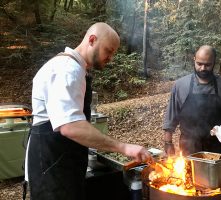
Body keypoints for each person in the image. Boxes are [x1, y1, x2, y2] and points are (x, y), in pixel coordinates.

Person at [25, 22, 152, 200]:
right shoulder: (67, 69)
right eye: (108, 51)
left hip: (60, 161)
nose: (110, 58)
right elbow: (70, 126)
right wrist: (124, 147)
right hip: (51, 165)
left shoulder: (74, 68)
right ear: (92, 40)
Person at [163, 45, 221, 156]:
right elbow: (171, 117)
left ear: (214, 62)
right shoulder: (181, 85)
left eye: (207, 65)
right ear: (194, 60)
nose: (203, 68)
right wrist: (168, 142)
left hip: (220, 150)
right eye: (199, 64)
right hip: (189, 149)